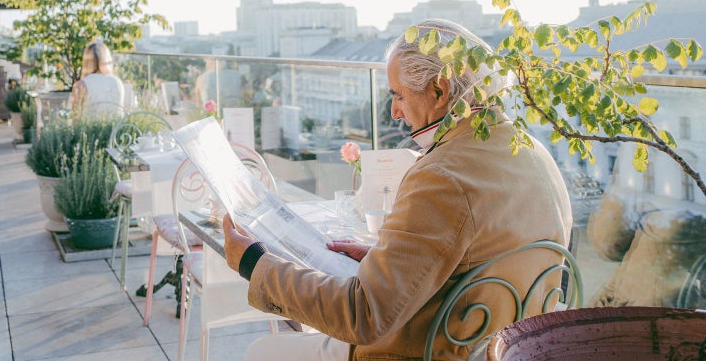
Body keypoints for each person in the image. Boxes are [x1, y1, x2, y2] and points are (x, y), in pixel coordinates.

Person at [221, 19, 573, 360]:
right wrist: (386, 256)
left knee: (261, 351)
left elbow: (364, 314)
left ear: (440, 90)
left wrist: (256, 264)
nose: (394, 112)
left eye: (398, 95)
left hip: (430, 349)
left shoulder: (441, 175)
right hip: (510, 345)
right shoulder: (531, 150)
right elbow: (479, 253)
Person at [68, 41, 125, 119]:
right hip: (117, 130)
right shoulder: (118, 82)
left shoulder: (81, 85)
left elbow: (74, 117)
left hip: (90, 130)